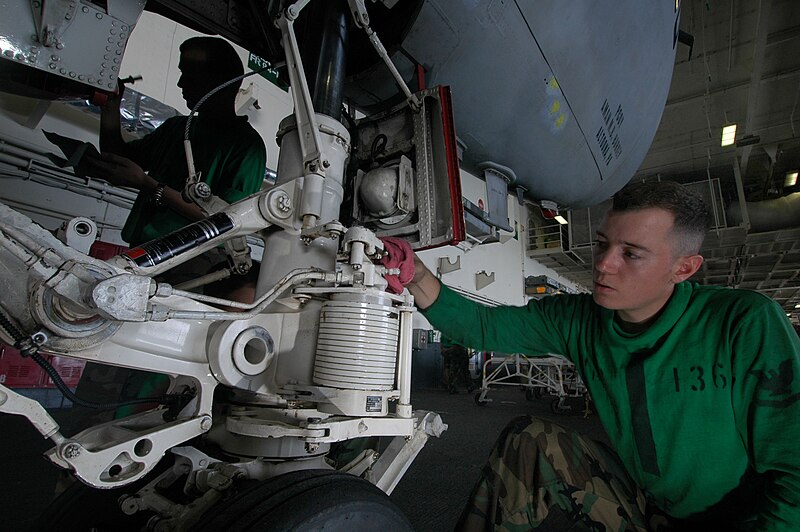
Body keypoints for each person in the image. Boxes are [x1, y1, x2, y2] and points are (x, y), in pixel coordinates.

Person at [400, 181, 800, 530]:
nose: (603, 265)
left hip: (745, 521)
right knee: (530, 442)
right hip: (649, 510)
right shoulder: (582, 319)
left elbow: (794, 473)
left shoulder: (742, 322)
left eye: (631, 254)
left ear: (683, 269)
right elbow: (482, 326)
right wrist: (416, 274)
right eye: (603, 244)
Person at [84, 35, 267, 281]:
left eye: (190, 73)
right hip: (143, 252)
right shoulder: (177, 128)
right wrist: (111, 105)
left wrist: (147, 184)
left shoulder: (247, 146)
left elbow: (229, 220)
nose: (180, 83)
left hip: (192, 261)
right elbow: (117, 157)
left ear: (220, 82)